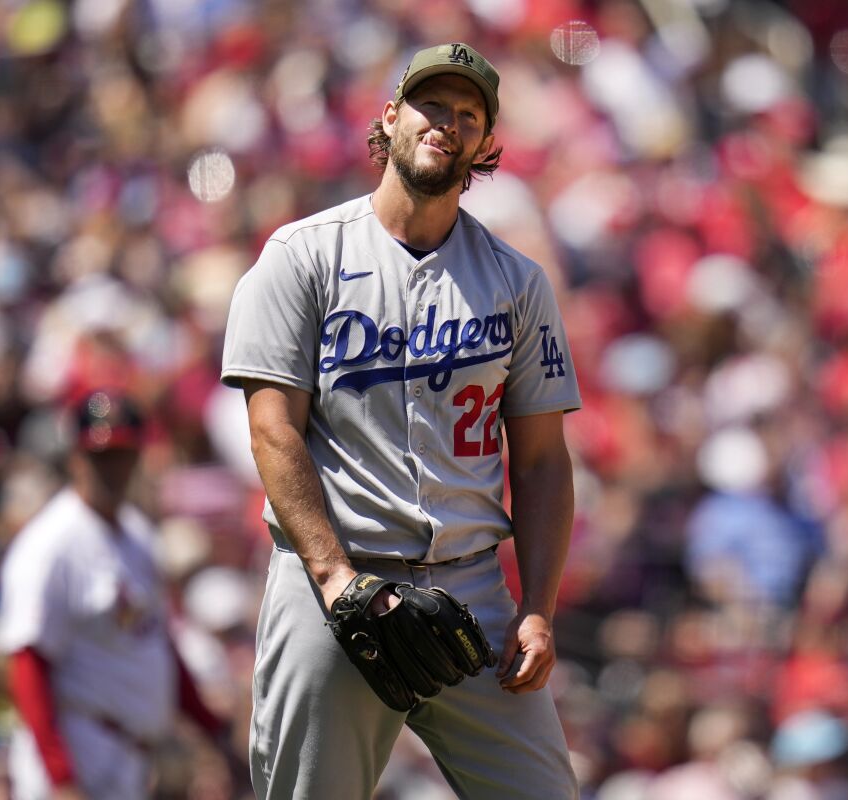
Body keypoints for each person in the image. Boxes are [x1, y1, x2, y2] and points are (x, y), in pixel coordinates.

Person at [222, 42, 581, 799]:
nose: (447, 123)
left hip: (471, 591)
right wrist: (335, 577)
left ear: (484, 145)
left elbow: (544, 460)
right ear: (390, 118)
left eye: (468, 114)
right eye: (431, 105)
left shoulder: (517, 284)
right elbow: (273, 431)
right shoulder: (302, 257)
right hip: (332, 586)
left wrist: (538, 610)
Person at [0, 390, 226, 799]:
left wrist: (210, 726)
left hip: (129, 757)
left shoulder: (137, 535)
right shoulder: (50, 544)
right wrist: (61, 777)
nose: (110, 468)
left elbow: (157, 644)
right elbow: (27, 665)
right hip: (77, 747)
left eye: (120, 455)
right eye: (98, 456)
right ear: (74, 458)